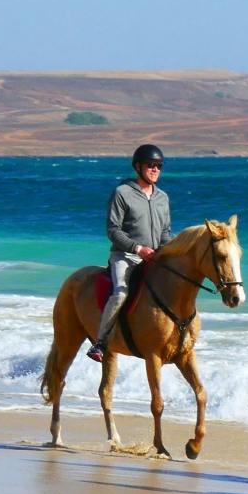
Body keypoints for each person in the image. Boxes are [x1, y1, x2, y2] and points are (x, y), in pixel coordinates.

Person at [89, 144, 173, 363]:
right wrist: (137, 248)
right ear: (138, 167)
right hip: (126, 256)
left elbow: (165, 232)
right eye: (150, 165)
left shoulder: (162, 197)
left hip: (153, 256)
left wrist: (170, 253)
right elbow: (112, 230)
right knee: (120, 293)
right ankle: (100, 343)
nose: (155, 169)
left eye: (158, 166)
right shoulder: (122, 193)